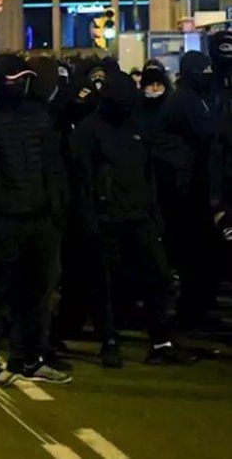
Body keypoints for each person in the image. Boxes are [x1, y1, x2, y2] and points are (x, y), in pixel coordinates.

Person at [0, 54, 71, 386]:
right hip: (3, 221)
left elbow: (53, 167)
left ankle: (31, 358)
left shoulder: (40, 116)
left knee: (38, 293)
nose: (22, 84)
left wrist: (56, 212)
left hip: (40, 220)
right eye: (15, 79)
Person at [71, 73, 181, 368]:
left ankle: (160, 340)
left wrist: (154, 213)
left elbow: (148, 173)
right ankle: (109, 341)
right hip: (106, 218)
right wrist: (89, 219)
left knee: (156, 279)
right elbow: (82, 179)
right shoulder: (89, 130)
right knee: (106, 285)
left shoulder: (136, 125)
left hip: (139, 215)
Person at [158, 51, 220, 330]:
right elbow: (207, 133)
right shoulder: (185, 101)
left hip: (189, 184)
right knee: (194, 254)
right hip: (185, 188)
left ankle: (194, 310)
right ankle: (190, 313)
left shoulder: (190, 97)